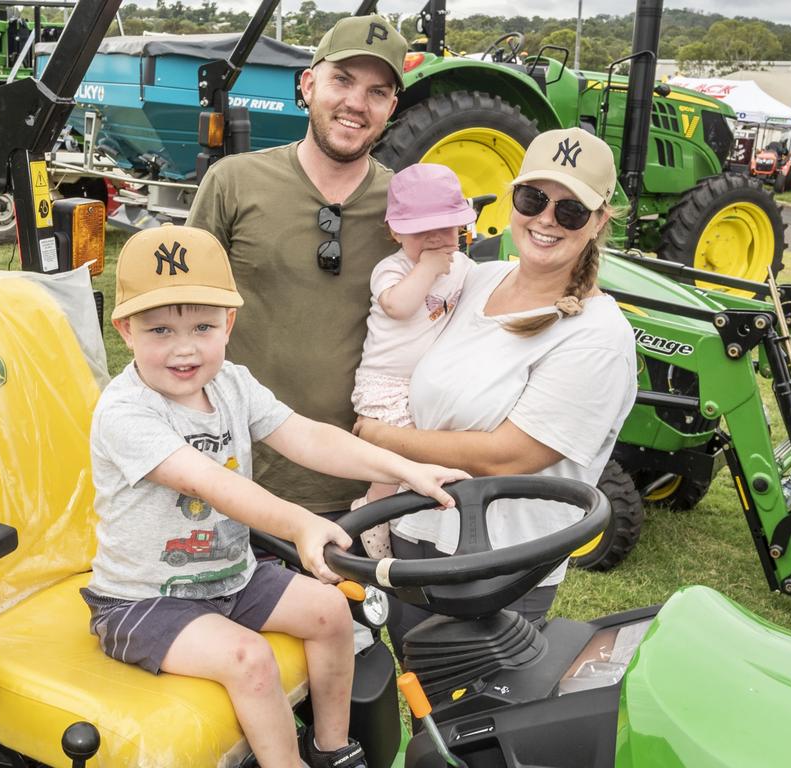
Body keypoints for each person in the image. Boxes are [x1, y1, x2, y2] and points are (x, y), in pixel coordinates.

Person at [84, 225, 467, 768]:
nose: (185, 347)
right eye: (161, 330)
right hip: (144, 599)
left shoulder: (233, 384)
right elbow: (211, 484)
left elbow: (308, 436)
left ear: (229, 323)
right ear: (126, 329)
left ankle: (333, 749)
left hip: (231, 576)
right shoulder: (126, 412)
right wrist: (300, 524)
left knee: (332, 610)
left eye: (202, 326)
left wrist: (408, 468)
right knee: (250, 659)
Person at [354, 127, 638, 650]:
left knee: (474, 723)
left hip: (497, 564)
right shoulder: (478, 281)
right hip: (415, 537)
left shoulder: (597, 337)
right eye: (534, 198)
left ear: (599, 221)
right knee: (425, 707)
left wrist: (379, 437)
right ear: (514, 200)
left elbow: (508, 457)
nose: (547, 219)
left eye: (572, 210)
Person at [186, 14, 409, 518]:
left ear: (392, 107)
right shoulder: (233, 183)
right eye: (343, 81)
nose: (356, 102)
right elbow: (179, 314)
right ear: (309, 85)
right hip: (234, 473)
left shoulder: (406, 206)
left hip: (357, 486)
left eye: (377, 91)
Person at [350, 163, 475, 558]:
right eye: (423, 231)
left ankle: (399, 517)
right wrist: (427, 268)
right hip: (384, 384)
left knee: (420, 453)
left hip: (425, 387)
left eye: (447, 228)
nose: (437, 239)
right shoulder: (393, 269)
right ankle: (372, 513)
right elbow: (400, 306)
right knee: (395, 460)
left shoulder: (466, 269)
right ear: (396, 232)